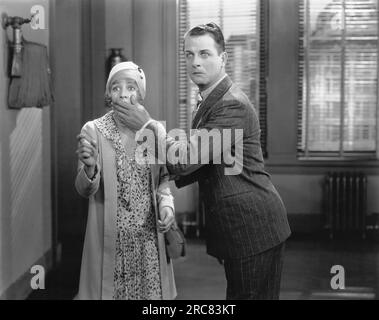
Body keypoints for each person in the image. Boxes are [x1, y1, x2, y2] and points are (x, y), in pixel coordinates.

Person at [113, 23, 291, 300]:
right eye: (189, 54)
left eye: (205, 54)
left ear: (223, 58)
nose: (195, 62)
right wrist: (155, 180)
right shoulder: (210, 100)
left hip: (253, 227)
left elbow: (186, 160)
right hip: (238, 227)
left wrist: (146, 124)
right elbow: (203, 163)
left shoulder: (232, 104)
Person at [75, 61, 177, 300]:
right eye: (115, 87)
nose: (123, 94)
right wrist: (90, 168)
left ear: (140, 93)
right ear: (108, 94)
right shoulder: (93, 130)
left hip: (149, 243)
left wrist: (167, 206)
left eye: (131, 87)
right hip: (112, 244)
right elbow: (83, 189)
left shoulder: (152, 130)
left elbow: (163, 183)